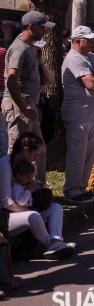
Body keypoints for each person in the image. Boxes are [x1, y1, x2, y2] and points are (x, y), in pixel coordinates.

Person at [61, 26, 94, 203]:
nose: (93, 42)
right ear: (77, 41)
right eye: (89, 40)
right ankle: (72, 189)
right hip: (79, 114)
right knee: (77, 154)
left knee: (88, 154)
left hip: (92, 114)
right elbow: (91, 84)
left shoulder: (90, 56)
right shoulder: (75, 58)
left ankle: (82, 187)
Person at [1, 133, 75, 259]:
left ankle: (56, 241)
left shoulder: (25, 167)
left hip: (19, 210)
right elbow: (6, 203)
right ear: (25, 150)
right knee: (33, 216)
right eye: (35, 155)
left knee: (56, 207)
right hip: (4, 217)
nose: (35, 159)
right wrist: (32, 210)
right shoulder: (5, 165)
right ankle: (50, 246)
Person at [2, 11, 52, 181]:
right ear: (31, 27)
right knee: (19, 151)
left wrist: (34, 105)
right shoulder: (19, 49)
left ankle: (37, 188)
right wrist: (24, 107)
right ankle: (12, 190)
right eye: (42, 27)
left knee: (39, 149)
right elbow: (11, 81)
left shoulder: (30, 48)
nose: (44, 31)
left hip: (30, 105)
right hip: (19, 106)